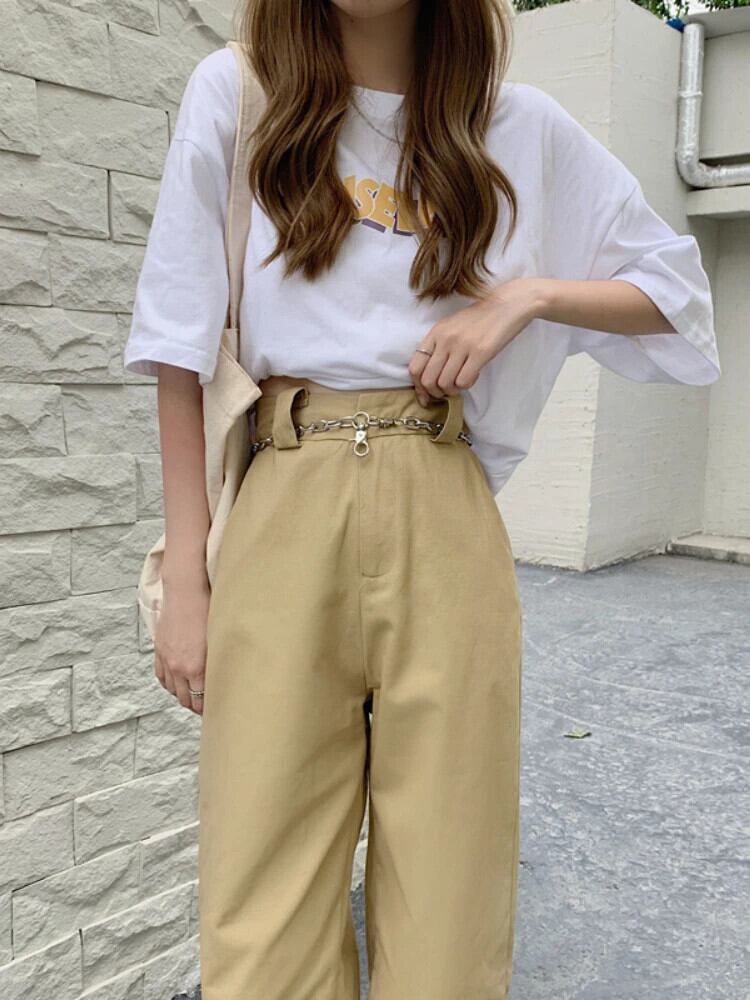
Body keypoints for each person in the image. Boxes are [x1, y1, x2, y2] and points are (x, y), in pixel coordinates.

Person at [122, 2, 721, 997]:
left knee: (452, 896)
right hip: (283, 493)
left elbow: (678, 298)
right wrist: (186, 576)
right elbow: (178, 346)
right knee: (259, 904)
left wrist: (525, 297)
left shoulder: (516, 127)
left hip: (445, 505)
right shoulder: (241, 95)